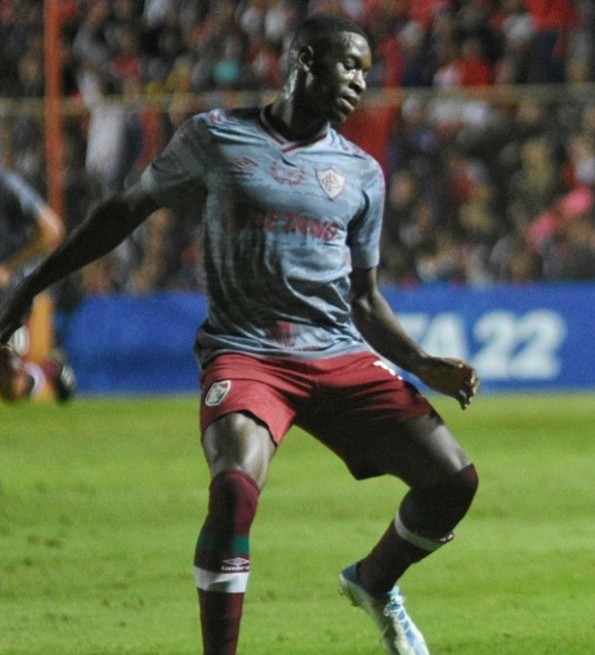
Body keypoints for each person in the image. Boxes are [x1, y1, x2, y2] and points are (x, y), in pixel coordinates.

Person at [0, 14, 480, 655]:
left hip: (337, 351)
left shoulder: (362, 172)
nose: (360, 82)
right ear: (304, 61)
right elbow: (123, 212)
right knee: (234, 488)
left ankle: (374, 582)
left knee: (454, 482)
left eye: (366, 71)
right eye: (348, 65)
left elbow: (363, 298)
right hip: (248, 353)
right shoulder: (216, 136)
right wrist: (33, 284)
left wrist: (424, 362)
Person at [0, 165, 76, 403]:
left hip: (11, 294)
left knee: (12, 391)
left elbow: (52, 230)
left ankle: (50, 369)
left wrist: (8, 269)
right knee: (10, 388)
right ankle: (46, 369)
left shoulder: (7, 185)